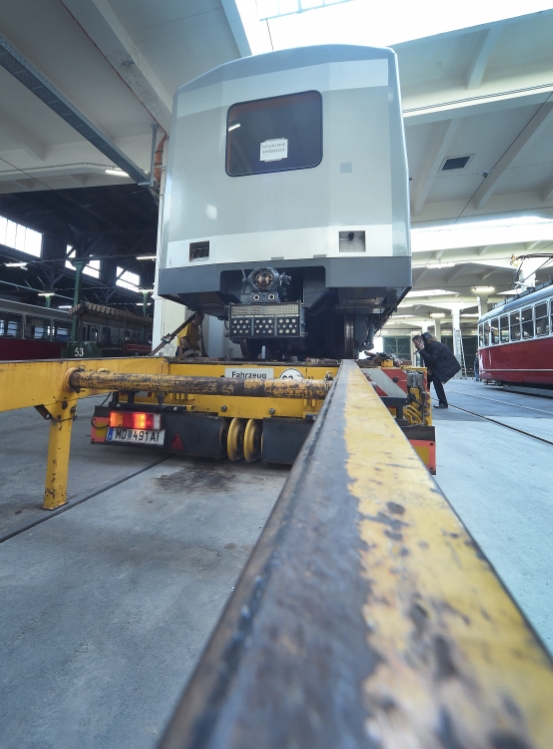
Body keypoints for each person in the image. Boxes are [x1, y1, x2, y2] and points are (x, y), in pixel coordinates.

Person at [412, 332, 461, 409]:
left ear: (421, 341)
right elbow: (427, 360)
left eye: (416, 342)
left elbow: (432, 359)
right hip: (438, 367)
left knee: (435, 380)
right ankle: (424, 400)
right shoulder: (427, 346)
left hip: (447, 366)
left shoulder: (433, 345)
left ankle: (443, 403)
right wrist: (428, 368)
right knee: (426, 379)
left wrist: (422, 350)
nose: (415, 345)